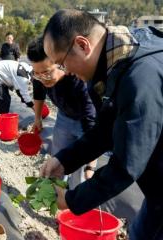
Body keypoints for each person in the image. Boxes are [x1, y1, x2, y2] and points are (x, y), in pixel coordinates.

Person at [41, 9, 163, 239]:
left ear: (82, 45)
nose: (67, 72)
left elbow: (127, 164)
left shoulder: (140, 78)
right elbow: (105, 131)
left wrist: (71, 200)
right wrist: (64, 160)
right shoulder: (117, 64)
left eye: (62, 63)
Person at [27, 37, 97, 187]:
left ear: (62, 64)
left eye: (46, 73)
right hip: (64, 117)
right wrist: (37, 118)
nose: (42, 78)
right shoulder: (40, 75)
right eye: (36, 74)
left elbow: (93, 129)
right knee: (57, 159)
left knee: (79, 166)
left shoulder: (79, 82)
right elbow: (38, 94)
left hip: (83, 121)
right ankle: (56, 192)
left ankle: (73, 197)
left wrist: (90, 166)